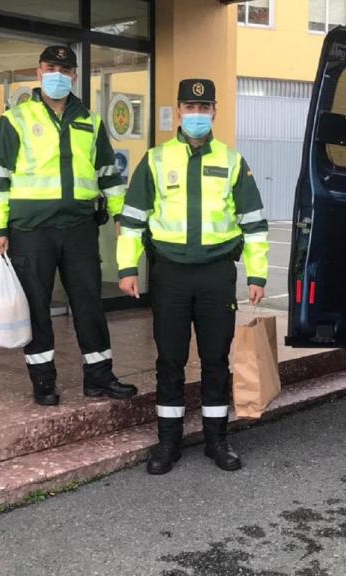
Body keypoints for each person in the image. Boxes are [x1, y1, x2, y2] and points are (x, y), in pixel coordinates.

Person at [116, 79, 269, 475]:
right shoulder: (155, 159)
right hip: (170, 274)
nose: (197, 115)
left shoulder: (233, 161)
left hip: (217, 274)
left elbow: (253, 223)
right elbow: (132, 221)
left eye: (204, 108)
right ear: (178, 111)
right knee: (170, 359)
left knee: (216, 358)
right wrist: (128, 268)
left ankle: (217, 438)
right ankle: (168, 441)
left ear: (214, 111)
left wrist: (257, 274)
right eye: (189, 107)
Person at [0, 45, 136, 406]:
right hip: (31, 230)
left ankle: (99, 377)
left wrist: (120, 216)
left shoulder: (90, 121)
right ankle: (44, 382)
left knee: (89, 303)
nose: (58, 75)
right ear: (39, 72)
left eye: (65, 70)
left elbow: (109, 176)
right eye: (51, 67)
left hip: (79, 228)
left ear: (75, 76)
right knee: (36, 306)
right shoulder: (14, 120)